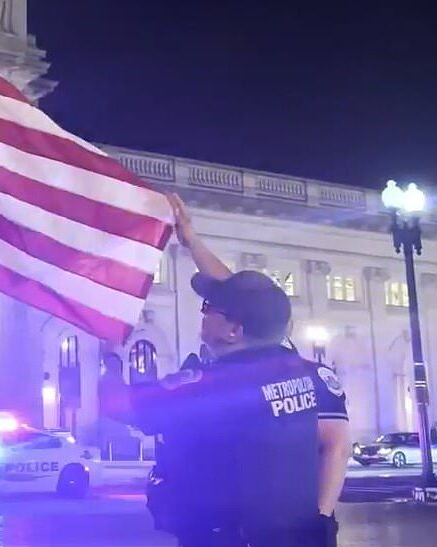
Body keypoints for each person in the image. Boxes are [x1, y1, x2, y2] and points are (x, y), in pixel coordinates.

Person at [108, 193, 353, 547]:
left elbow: (121, 405)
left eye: (210, 308)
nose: (203, 313)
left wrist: (109, 353)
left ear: (234, 330)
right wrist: (321, 520)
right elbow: (337, 447)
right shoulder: (312, 374)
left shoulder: (211, 386)